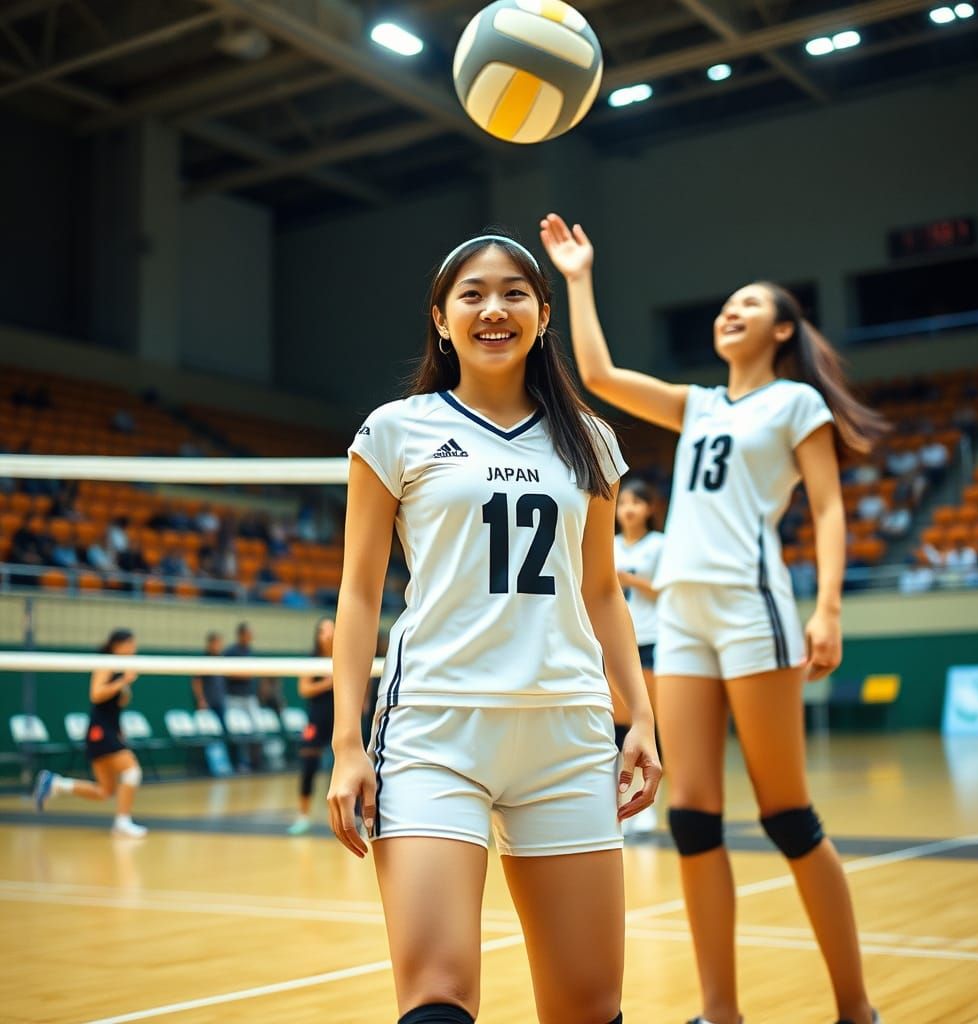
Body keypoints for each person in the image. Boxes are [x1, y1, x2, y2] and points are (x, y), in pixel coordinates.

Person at [540, 212, 885, 1024]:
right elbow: (597, 372)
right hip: (684, 619)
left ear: (784, 328)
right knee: (693, 817)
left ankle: (856, 1009)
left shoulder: (796, 402)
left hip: (751, 607)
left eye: (751, 304)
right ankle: (719, 1011)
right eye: (726, 303)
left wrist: (828, 608)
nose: (731, 310)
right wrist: (580, 277)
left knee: (787, 815)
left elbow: (830, 511)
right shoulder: (697, 404)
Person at [326, 232, 661, 1024]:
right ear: (441, 320)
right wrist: (346, 744)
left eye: (514, 292)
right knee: (437, 998)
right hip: (436, 731)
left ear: (543, 316)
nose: (493, 308)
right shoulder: (394, 431)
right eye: (471, 293)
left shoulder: (590, 441)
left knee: (588, 1005)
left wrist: (640, 714)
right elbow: (357, 596)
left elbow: (603, 593)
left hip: (567, 733)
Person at [32, 628, 147, 837]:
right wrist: (123, 682)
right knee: (132, 772)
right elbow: (96, 694)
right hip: (99, 730)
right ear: (117, 646)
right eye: (131, 644)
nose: (134, 649)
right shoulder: (107, 664)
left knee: (105, 791)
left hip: (108, 730)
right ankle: (122, 823)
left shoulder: (121, 668)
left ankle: (56, 783)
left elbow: (114, 708)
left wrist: (120, 730)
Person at [613, 477, 663, 835]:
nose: (628, 508)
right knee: (617, 726)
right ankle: (623, 800)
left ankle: (649, 804)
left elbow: (667, 590)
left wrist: (629, 581)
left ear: (649, 508)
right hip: (617, 642)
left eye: (636, 502)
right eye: (623, 502)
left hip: (651, 638)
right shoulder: (608, 544)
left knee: (647, 724)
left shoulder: (659, 545)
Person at [288, 616, 335, 836]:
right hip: (316, 719)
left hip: (340, 719)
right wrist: (329, 682)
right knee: (308, 766)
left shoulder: (345, 656)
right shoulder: (312, 660)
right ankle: (303, 815)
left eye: (331, 629)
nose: (328, 634)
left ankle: (345, 818)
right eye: (323, 631)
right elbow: (304, 689)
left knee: (341, 770)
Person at [224, 622, 262, 771]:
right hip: (234, 698)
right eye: (248, 634)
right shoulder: (230, 652)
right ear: (241, 634)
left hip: (249, 697)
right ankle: (240, 763)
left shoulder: (249, 651)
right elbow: (226, 672)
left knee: (256, 729)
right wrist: (244, 674)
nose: (251, 637)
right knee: (238, 731)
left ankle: (256, 762)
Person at [191, 631, 227, 729]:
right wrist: (201, 699)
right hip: (207, 702)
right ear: (210, 644)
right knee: (207, 729)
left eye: (220, 643)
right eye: (216, 643)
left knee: (222, 729)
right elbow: (196, 681)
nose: (218, 646)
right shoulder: (203, 660)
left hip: (220, 701)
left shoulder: (223, 660)